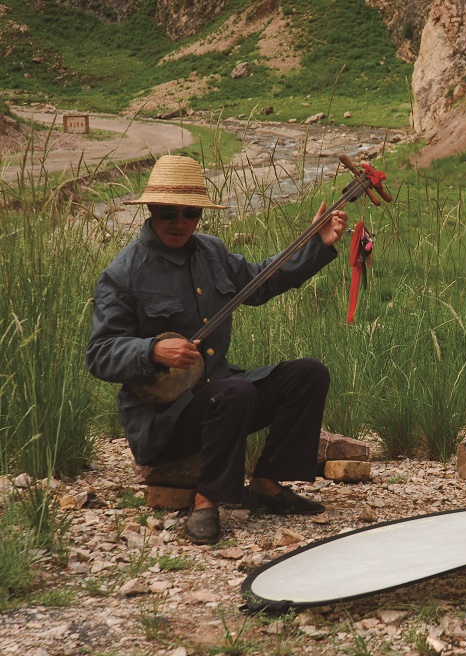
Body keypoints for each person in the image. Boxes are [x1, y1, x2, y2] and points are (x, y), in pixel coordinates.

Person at [86, 155, 349, 545]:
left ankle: (266, 482)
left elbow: (260, 283)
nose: (179, 223)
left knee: (308, 373)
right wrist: (152, 350)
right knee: (235, 391)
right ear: (150, 212)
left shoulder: (212, 252)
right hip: (166, 422)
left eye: (189, 213)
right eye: (167, 213)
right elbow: (99, 354)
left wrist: (315, 243)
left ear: (200, 215)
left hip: (223, 396)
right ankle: (206, 502)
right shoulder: (123, 273)